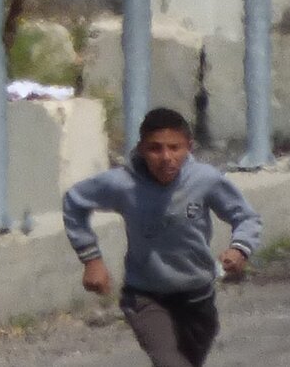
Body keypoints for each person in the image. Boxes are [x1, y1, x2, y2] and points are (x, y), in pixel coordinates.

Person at [63, 107, 263, 367]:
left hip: (197, 297)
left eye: (174, 148)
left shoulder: (204, 180)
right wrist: (91, 259)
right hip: (145, 296)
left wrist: (240, 249)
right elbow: (74, 201)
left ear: (188, 147)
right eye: (155, 148)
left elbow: (246, 216)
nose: (166, 157)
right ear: (141, 149)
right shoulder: (123, 184)